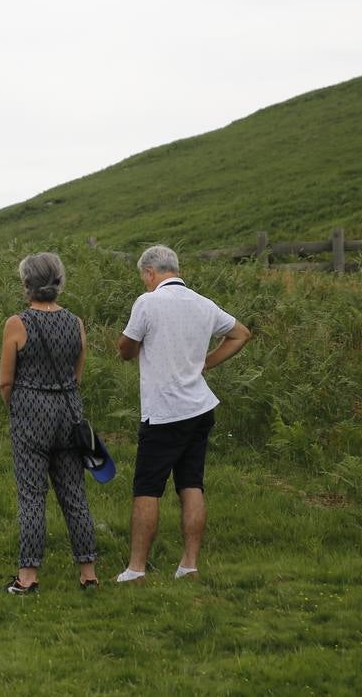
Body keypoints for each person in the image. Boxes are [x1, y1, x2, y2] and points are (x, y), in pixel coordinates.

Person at [115, 245, 251, 583]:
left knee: (147, 488)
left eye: (143, 278)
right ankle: (188, 564)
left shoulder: (148, 302)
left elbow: (125, 350)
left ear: (150, 273)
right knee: (191, 484)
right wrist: (207, 362)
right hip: (200, 407)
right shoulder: (203, 304)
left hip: (164, 411)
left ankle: (137, 568)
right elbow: (240, 334)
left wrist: (132, 347)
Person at [0, 252, 98, 594]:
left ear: (26, 283)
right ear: (58, 282)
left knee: (31, 495)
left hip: (31, 411)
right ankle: (88, 573)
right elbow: (77, 373)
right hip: (69, 411)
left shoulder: (17, 323)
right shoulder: (76, 322)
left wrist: (22, 407)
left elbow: (5, 382)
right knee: (74, 495)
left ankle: (27, 578)